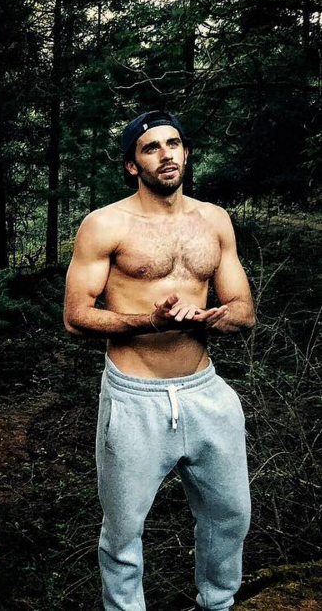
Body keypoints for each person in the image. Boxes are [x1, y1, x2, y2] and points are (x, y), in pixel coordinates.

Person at [62, 110, 256, 611]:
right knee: (124, 532)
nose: (166, 154)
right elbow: (76, 316)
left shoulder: (214, 220)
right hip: (135, 396)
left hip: (204, 389)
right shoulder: (104, 224)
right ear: (132, 165)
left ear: (186, 153)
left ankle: (218, 604)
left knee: (230, 515)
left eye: (174, 144)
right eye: (151, 147)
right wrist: (150, 322)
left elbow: (244, 310)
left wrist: (212, 317)